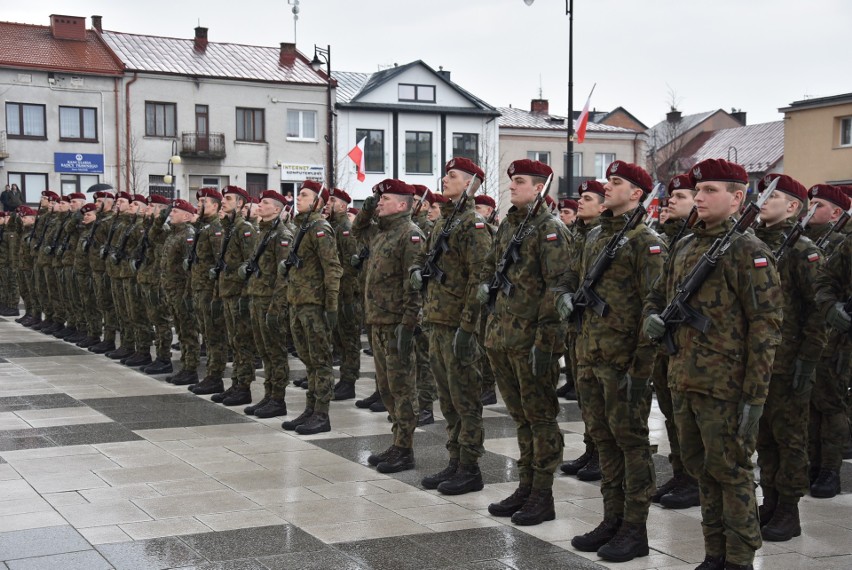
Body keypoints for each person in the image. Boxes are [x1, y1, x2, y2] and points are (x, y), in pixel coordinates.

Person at [643, 158, 783, 570]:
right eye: (697, 191)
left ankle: (739, 559)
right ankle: (714, 553)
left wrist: (754, 398)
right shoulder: (685, 245)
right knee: (701, 469)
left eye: (709, 191)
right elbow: (657, 296)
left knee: (732, 472)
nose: (699, 197)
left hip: (726, 386)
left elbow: (766, 328)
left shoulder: (749, 251)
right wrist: (651, 318)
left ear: (738, 198)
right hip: (684, 379)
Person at [559, 160, 665, 563]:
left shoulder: (646, 242)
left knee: (631, 444)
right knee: (603, 441)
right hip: (590, 354)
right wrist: (563, 297)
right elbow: (569, 277)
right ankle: (612, 518)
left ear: (637, 193)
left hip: (624, 362)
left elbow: (653, 308)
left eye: (616, 182)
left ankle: (634, 528)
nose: (608, 187)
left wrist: (641, 369)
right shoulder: (596, 235)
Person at [477, 158, 568, 526]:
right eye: (511, 181)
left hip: (532, 342)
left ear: (539, 187)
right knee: (521, 419)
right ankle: (527, 484)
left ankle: (543, 494)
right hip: (502, 337)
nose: (511, 187)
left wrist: (546, 347)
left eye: (519, 182)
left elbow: (558, 289)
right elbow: (492, 267)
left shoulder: (550, 230)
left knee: (540, 418)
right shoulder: (508, 226)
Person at [410, 157, 492, 495]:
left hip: (458, 325)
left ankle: (470, 467)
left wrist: (468, 328)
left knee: (466, 400)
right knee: (447, 399)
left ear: (470, 183)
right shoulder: (445, 222)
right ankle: (455, 460)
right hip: (436, 321)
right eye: (445, 173)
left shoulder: (473, 225)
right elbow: (423, 256)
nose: (445, 179)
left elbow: (480, 279)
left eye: (452, 175)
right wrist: (417, 269)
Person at [751, 173, 826, 541]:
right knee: (764, 436)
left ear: (793, 207)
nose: (762, 199)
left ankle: (788, 510)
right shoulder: (750, 244)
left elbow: (818, 310)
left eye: (772, 195)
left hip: (788, 361)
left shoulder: (802, 251)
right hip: (759, 362)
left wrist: (807, 360)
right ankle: (770, 499)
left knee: (790, 437)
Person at [353, 179, 424, 472]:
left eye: (386, 198)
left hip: (397, 323)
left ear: (403, 204)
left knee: (402, 387)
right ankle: (397, 442)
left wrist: (408, 326)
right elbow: (357, 229)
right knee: (385, 388)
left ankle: (405, 449)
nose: (380, 202)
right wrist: (370, 203)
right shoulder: (381, 233)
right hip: (377, 321)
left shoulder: (410, 235)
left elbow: (414, 286)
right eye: (379, 199)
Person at [649, 174, 700, 510]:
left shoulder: (706, 242)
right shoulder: (677, 241)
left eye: (680, 196)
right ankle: (682, 473)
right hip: (669, 345)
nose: (671, 201)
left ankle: (695, 479)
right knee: (672, 415)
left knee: (694, 423)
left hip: (699, 353)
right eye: (671, 195)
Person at [280, 180, 342, 435]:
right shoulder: (301, 227)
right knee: (309, 362)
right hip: (298, 302)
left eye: (304, 195)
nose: (298, 198)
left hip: (315, 305)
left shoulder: (320, 228)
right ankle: (310, 408)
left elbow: (333, 268)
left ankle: (322, 414)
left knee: (320, 361)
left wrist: (331, 306)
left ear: (318, 201)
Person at [805, 183, 852, 499]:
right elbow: (825, 282)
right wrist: (832, 307)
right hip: (835, 339)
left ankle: (830, 469)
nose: (810, 210)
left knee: (834, 405)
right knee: (823, 402)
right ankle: (821, 468)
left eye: (817, 205)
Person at [559, 180, 606, 482]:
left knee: (600, 400)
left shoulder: (603, 236)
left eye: (587, 198)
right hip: (577, 326)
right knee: (587, 397)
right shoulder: (580, 234)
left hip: (598, 331)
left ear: (603, 206)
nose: (580, 202)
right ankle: (592, 450)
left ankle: (601, 453)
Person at [241, 190, 293, 418]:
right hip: (257, 298)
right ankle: (269, 395)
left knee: (276, 351)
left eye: (265, 203)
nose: (259, 206)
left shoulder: (282, 235)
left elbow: (285, 276)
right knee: (264, 351)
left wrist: (277, 307)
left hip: (271, 301)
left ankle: (278, 399)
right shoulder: (263, 232)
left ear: (277, 209)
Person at [210, 186, 258, 403]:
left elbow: (251, 264)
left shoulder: (244, 229)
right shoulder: (228, 228)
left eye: (228, 198)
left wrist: (246, 296)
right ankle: (236, 382)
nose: (223, 202)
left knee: (243, 342)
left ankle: (244, 387)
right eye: (223, 198)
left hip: (239, 294)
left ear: (240, 204)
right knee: (235, 342)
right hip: (227, 292)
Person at [188, 188, 229, 394]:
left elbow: (219, 262)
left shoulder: (216, 229)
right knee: (207, 334)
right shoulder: (202, 227)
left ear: (215, 206)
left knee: (214, 336)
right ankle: (210, 375)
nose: (199, 205)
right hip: (200, 288)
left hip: (210, 290)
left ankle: (215, 376)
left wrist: (216, 294)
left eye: (203, 201)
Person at [325, 188, 362, 401]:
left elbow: (350, 265)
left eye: (332, 200)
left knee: (349, 339)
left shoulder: (346, 228)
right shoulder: (334, 226)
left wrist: (348, 298)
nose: (328, 203)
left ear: (343, 205)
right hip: (337, 293)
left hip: (347, 294)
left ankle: (349, 381)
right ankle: (344, 378)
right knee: (339, 338)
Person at [473, 194, 499, 407]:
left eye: (479, 207)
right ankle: (482, 384)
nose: (475, 211)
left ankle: (488, 388)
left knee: (485, 343)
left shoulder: (490, 232)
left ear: (490, 211)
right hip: (476, 293)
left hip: (490, 298)